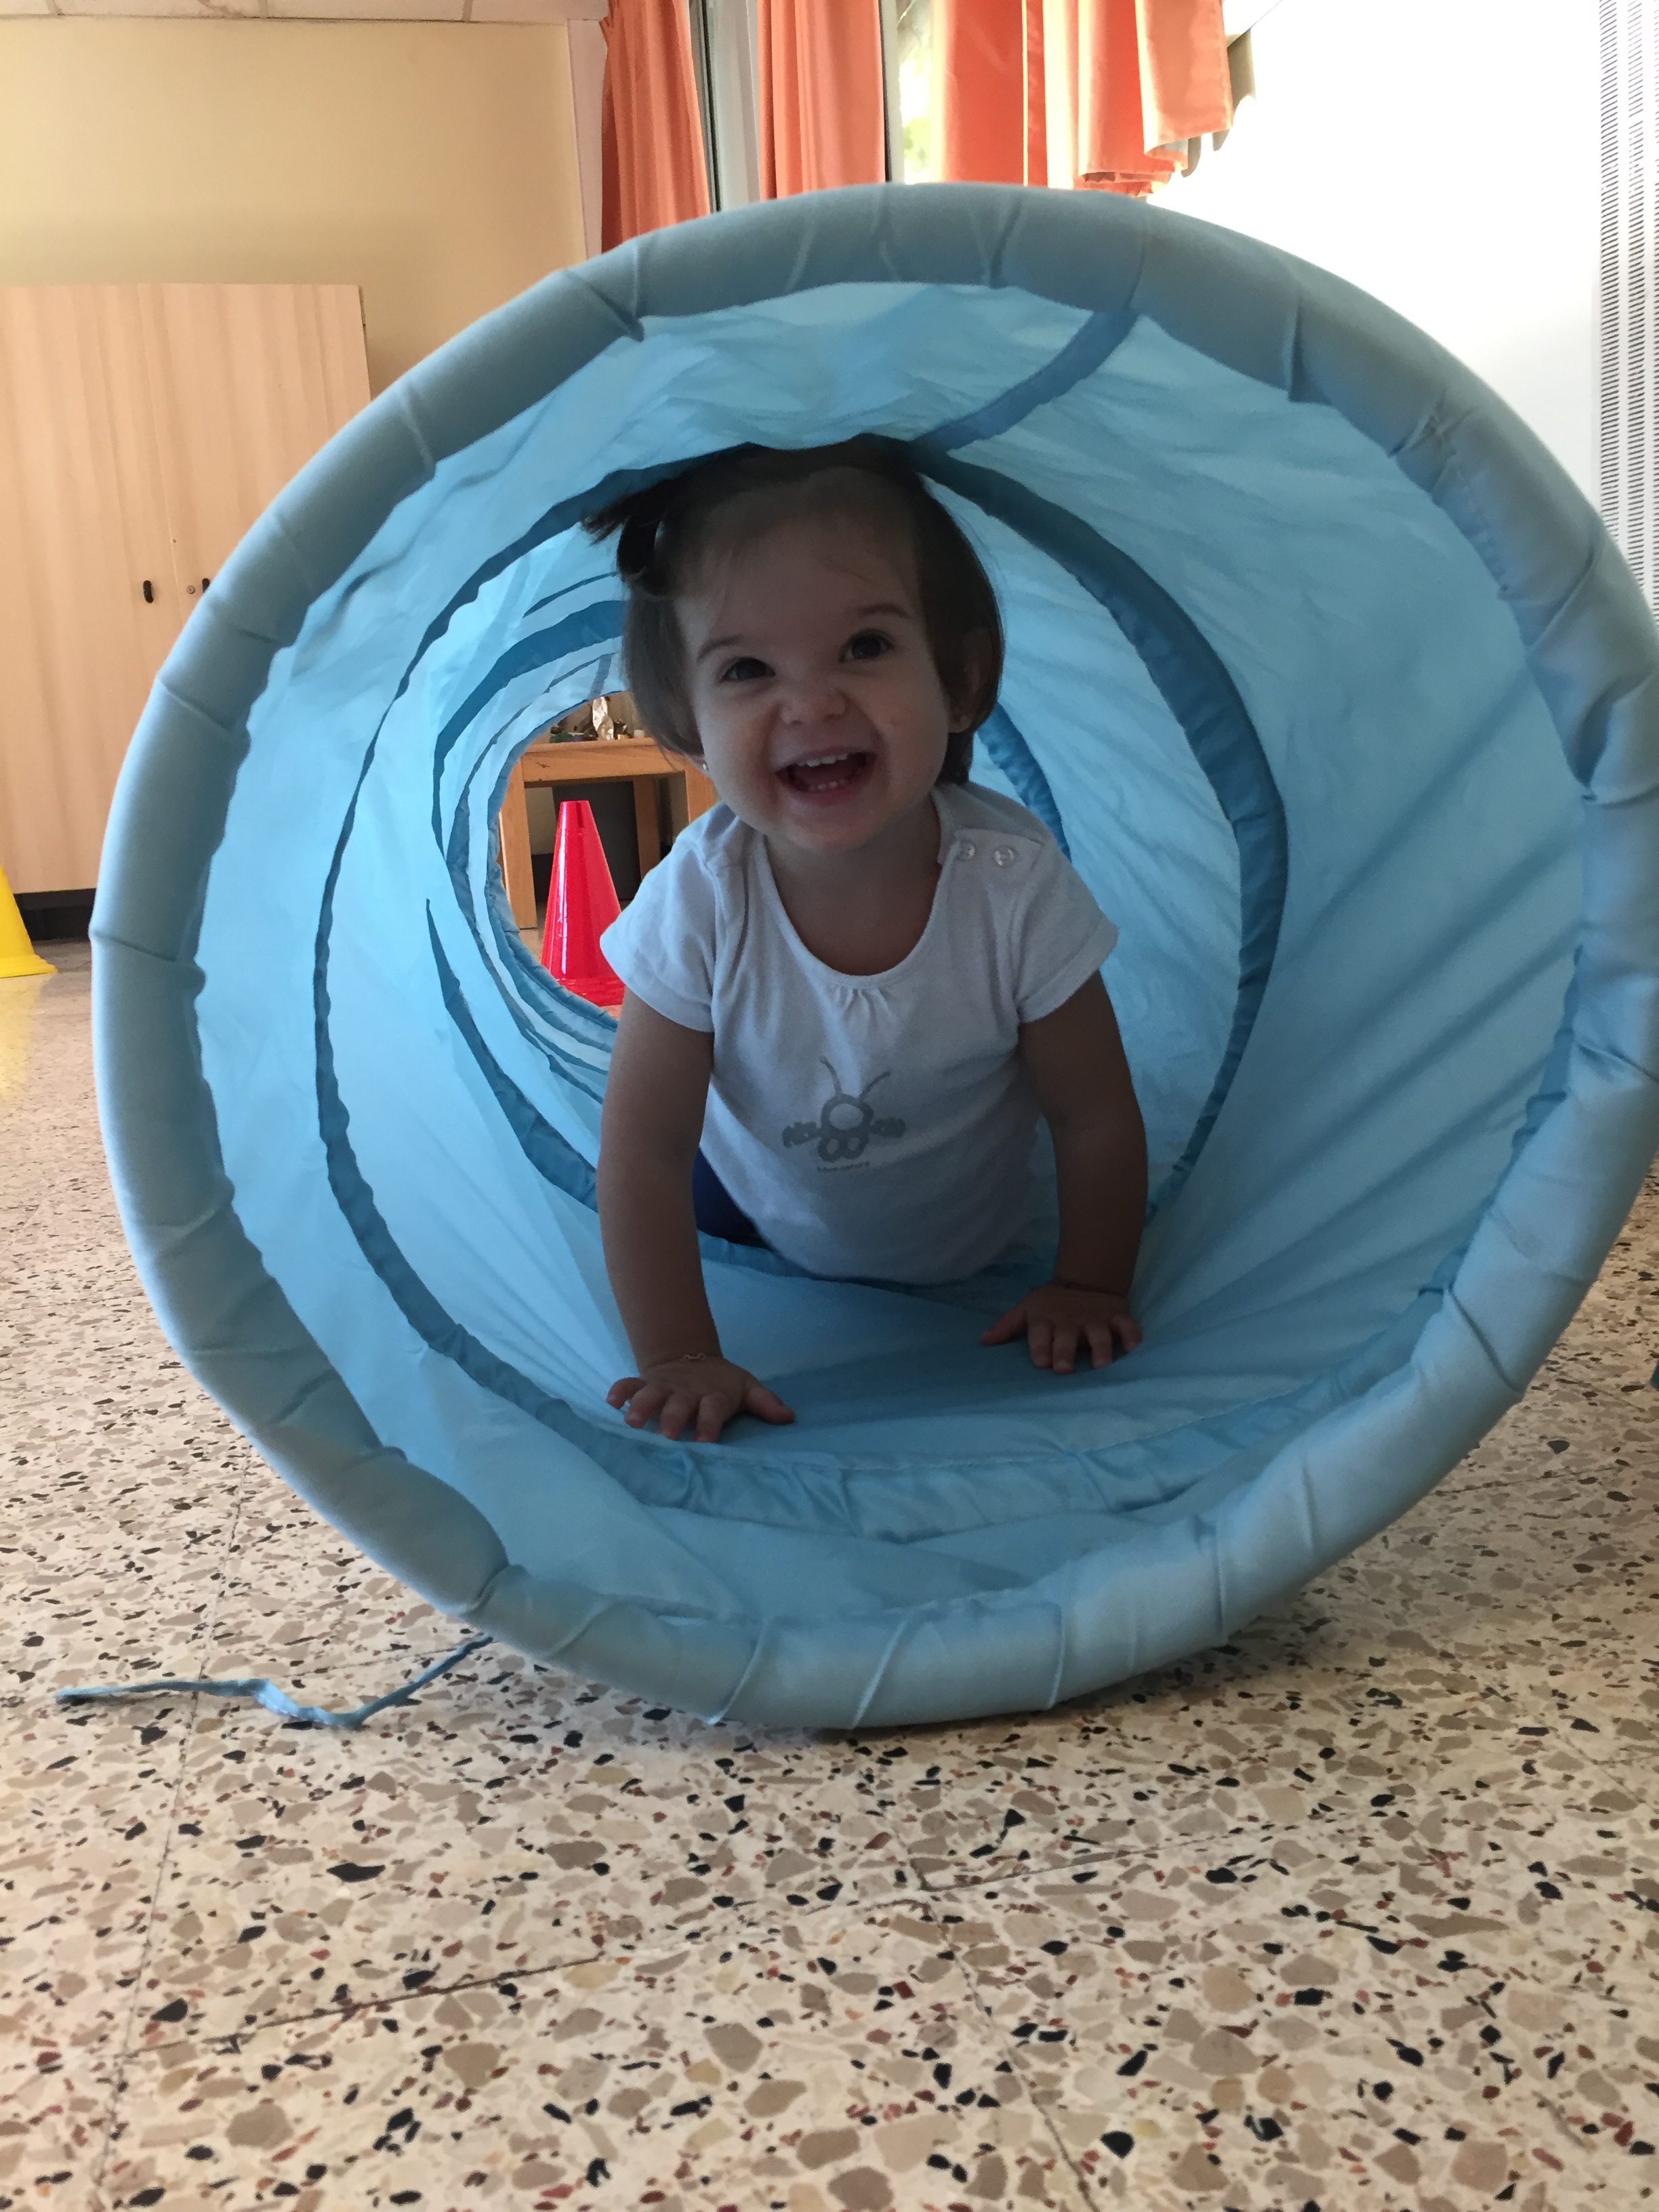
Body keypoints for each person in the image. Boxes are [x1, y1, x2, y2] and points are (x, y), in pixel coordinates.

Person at [589, 438, 1147, 1444]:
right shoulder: (703, 898)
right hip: (747, 1200)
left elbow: (1095, 1114)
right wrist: (680, 1355)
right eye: (747, 668)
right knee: (684, 1163)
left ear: (961, 678)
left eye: (866, 647)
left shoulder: (1014, 887)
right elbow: (643, 1152)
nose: (812, 703)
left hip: (970, 1232)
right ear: (685, 723)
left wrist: (1089, 1283)